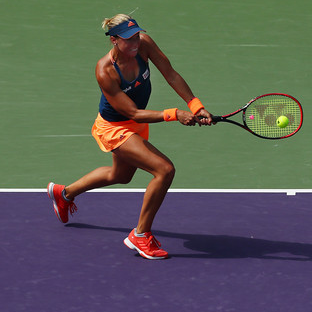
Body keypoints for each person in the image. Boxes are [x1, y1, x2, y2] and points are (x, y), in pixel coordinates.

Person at [47, 14, 214, 259]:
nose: (135, 42)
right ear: (114, 40)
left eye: (136, 35)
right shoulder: (105, 70)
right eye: (128, 39)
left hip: (135, 124)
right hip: (115, 127)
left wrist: (196, 105)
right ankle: (140, 235)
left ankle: (63, 193)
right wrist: (174, 114)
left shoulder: (144, 44)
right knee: (164, 169)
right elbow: (133, 113)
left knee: (121, 175)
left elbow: (170, 73)